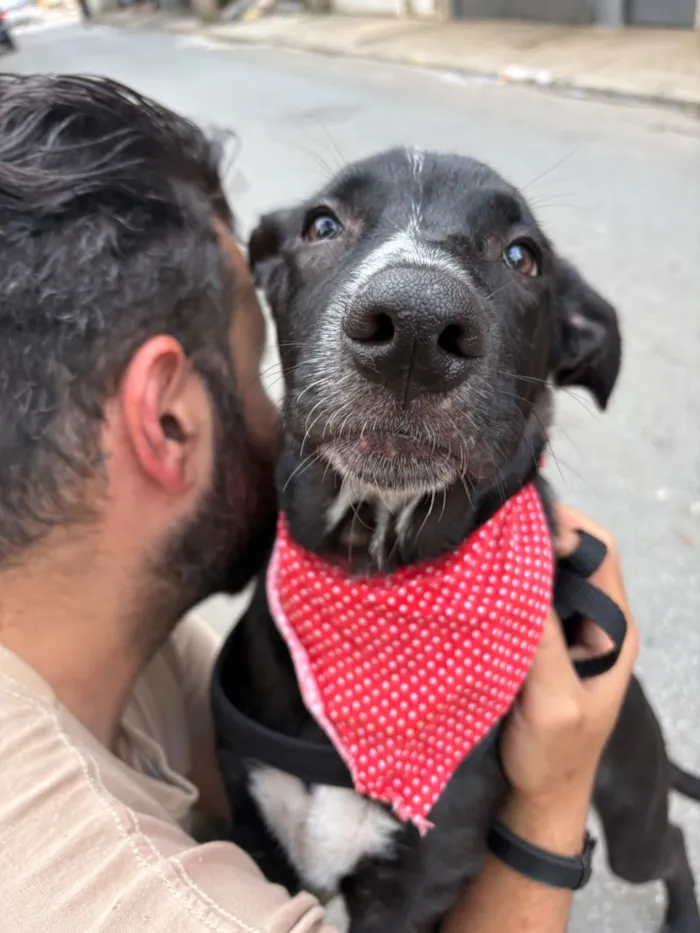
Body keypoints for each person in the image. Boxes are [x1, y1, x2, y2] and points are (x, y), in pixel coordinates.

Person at [0, 73, 639, 933]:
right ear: (168, 418)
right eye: (258, 358)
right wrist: (555, 794)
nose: (406, 313)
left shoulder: (137, 647)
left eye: (516, 257)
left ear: (569, 348)